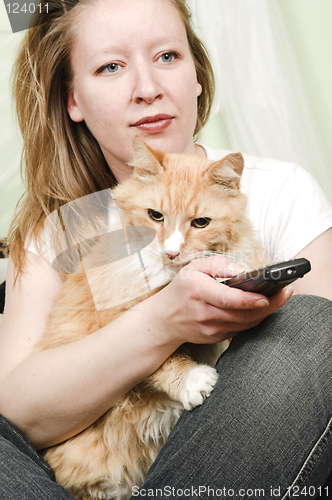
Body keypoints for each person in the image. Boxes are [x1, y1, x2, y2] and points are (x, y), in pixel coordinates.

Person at [0, 0, 331, 498]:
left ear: (197, 74)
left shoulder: (281, 188)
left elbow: (311, 365)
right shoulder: (56, 232)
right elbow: (19, 411)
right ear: (73, 100)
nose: (148, 88)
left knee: (313, 324)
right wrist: (163, 322)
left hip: (231, 460)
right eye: (111, 66)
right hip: (92, 472)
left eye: (168, 57)